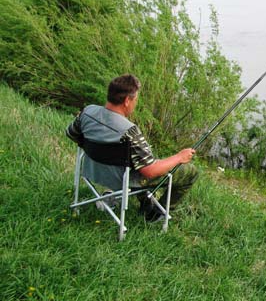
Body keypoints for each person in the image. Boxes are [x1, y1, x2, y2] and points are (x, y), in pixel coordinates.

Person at [65, 74, 198, 221]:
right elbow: (150, 171)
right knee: (190, 172)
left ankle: (144, 202)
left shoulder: (88, 112)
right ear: (127, 101)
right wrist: (179, 157)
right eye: (135, 100)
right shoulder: (130, 131)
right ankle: (156, 214)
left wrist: (96, 148)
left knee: (136, 161)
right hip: (121, 179)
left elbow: (71, 134)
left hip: (93, 169)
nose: (136, 103)